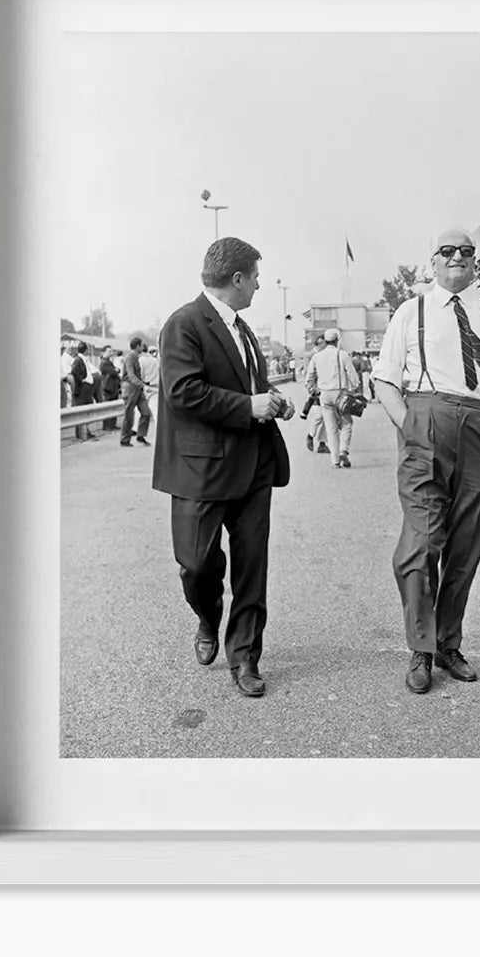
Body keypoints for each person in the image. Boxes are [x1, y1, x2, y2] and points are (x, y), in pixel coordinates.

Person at [373, 227, 480, 694]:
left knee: (465, 546)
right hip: (426, 422)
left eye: (466, 251)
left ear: (476, 261)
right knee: (420, 544)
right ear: (432, 262)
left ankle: (447, 642)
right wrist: (412, 429)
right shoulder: (410, 311)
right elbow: (385, 380)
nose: (458, 257)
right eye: (447, 251)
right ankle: (421, 646)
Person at [152, 237, 296, 700]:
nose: (258, 286)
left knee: (252, 566)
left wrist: (272, 398)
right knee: (196, 564)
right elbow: (183, 392)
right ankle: (208, 617)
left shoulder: (245, 330)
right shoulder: (184, 324)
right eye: (255, 277)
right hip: (202, 470)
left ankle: (245, 656)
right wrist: (249, 405)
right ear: (237, 278)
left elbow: (247, 383)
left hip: (254, 465)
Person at [308, 328, 361, 468]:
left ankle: (335, 461)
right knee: (347, 424)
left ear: (325, 341)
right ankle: (344, 450)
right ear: (337, 340)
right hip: (341, 394)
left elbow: (309, 378)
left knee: (331, 428)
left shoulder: (317, 356)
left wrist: (314, 390)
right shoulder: (342, 355)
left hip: (324, 395)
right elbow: (353, 377)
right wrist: (354, 388)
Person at [119, 335, 153, 447]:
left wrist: (142, 384)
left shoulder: (136, 358)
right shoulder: (130, 358)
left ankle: (141, 436)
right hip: (130, 389)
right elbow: (131, 375)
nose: (143, 347)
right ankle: (124, 439)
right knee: (129, 415)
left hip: (137, 389)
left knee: (146, 413)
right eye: (141, 345)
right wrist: (142, 385)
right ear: (137, 346)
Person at [99, 348, 121, 431]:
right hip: (108, 387)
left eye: (111, 351)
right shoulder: (104, 362)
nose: (111, 353)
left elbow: (117, 370)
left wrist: (116, 370)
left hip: (113, 386)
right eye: (109, 351)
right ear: (104, 352)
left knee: (113, 406)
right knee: (108, 406)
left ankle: (112, 424)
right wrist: (116, 371)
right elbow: (114, 371)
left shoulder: (109, 361)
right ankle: (107, 425)